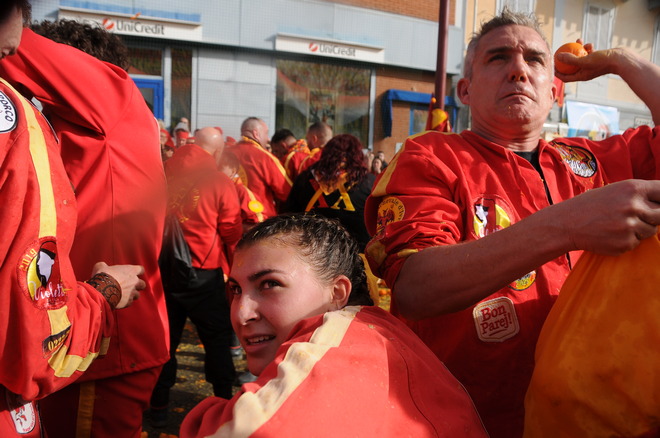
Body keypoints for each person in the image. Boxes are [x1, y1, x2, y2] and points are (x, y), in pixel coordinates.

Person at [364, 8, 660, 438]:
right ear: (465, 90)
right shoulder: (430, 157)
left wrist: (622, 62)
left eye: (535, 60)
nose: (519, 70)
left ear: (555, 91)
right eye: (498, 57)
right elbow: (414, 288)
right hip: (476, 422)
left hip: (602, 419)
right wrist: (569, 225)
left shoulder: (594, 160)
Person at [0, 16, 168, 438]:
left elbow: (12, 40)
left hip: (98, 344)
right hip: (72, 334)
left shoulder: (113, 95)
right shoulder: (95, 126)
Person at [179, 214, 488, 438]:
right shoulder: (381, 332)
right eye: (235, 290)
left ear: (337, 293)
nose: (241, 313)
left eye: (270, 284)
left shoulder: (335, 341)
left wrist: (203, 417)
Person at [150, 127, 243, 427]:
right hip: (203, 272)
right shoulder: (219, 181)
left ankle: (159, 406)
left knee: (165, 340)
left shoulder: (161, 172)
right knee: (216, 340)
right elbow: (231, 232)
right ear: (216, 151)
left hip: (163, 270)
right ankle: (224, 403)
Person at [285, 134, 376, 252]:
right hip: (356, 253)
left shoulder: (305, 177)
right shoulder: (369, 181)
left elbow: (289, 214)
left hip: (311, 250)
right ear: (358, 155)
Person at [229, 117, 292, 218]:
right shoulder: (265, 157)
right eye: (266, 133)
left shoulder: (225, 154)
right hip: (259, 218)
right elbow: (286, 192)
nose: (268, 139)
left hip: (230, 218)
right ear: (256, 134)